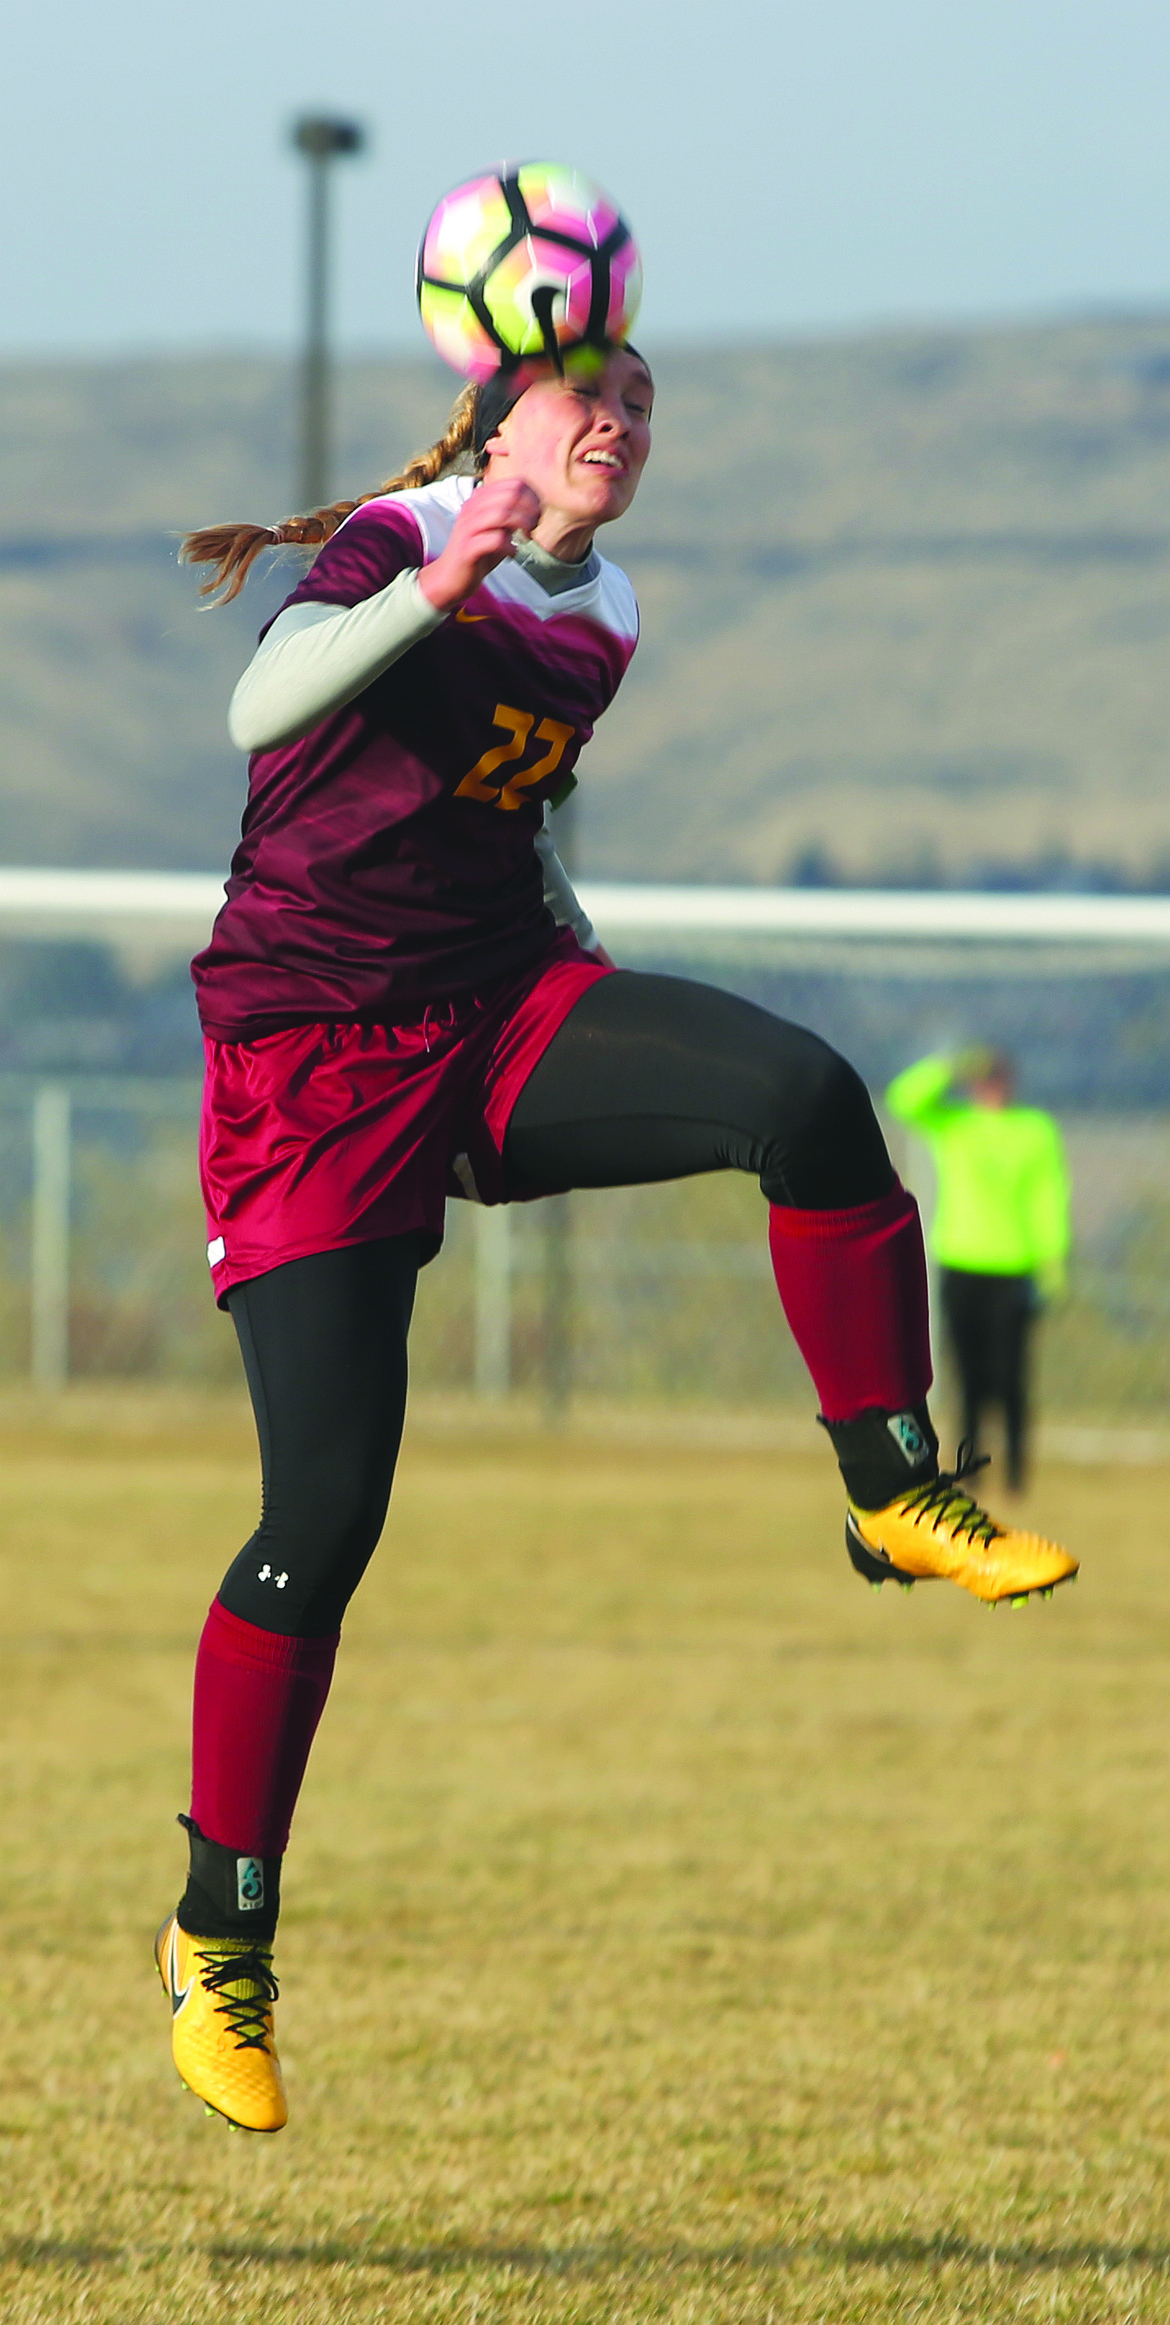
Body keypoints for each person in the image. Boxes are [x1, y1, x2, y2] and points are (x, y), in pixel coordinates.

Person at [155, 343, 1077, 2136]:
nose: (617, 428)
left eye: (642, 406)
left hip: (497, 1011)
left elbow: (512, 822)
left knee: (805, 1098)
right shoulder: (413, 536)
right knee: (320, 1520)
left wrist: (583, 961)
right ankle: (218, 1937)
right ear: (495, 424)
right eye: (584, 397)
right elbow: (259, 716)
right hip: (312, 1074)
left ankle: (892, 1485)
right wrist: (442, 571)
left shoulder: (611, 610)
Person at [885, 1046, 1071, 1492]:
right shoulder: (956, 1125)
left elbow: (1050, 1199)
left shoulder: (1034, 1131)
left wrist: (1053, 1263)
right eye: (982, 1080)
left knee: (1010, 1377)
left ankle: (1016, 1474)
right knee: (966, 1378)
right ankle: (973, 1470)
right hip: (962, 1263)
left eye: (996, 1079)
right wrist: (950, 1065)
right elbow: (903, 1099)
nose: (990, 1088)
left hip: (1014, 1266)